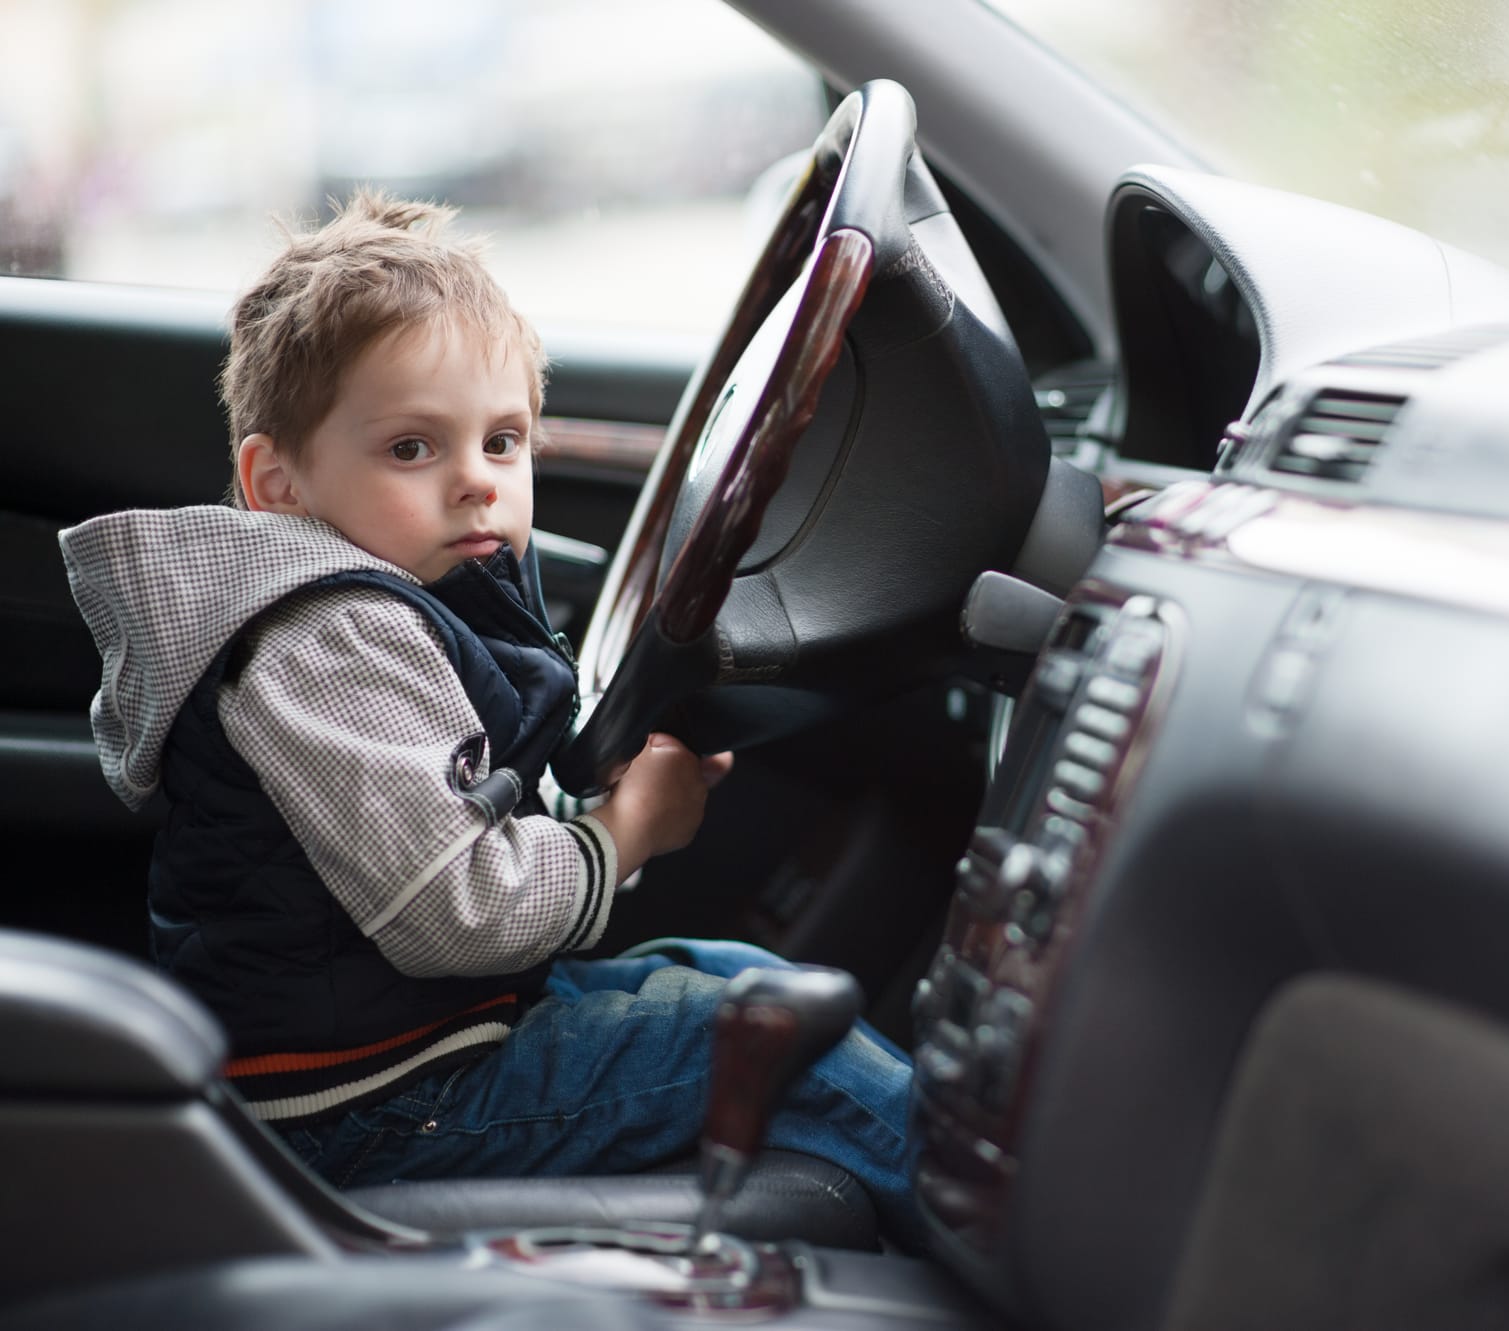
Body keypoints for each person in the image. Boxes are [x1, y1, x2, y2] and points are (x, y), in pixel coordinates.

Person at [57, 190, 918, 1242]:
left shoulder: (395, 603)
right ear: (276, 481)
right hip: (367, 1105)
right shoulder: (324, 640)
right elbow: (454, 907)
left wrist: (596, 785)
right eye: (412, 449)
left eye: (503, 441)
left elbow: (464, 807)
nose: (475, 482)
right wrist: (625, 830)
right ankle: (1033, 1255)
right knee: (797, 1043)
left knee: (737, 976)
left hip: (413, 1048)